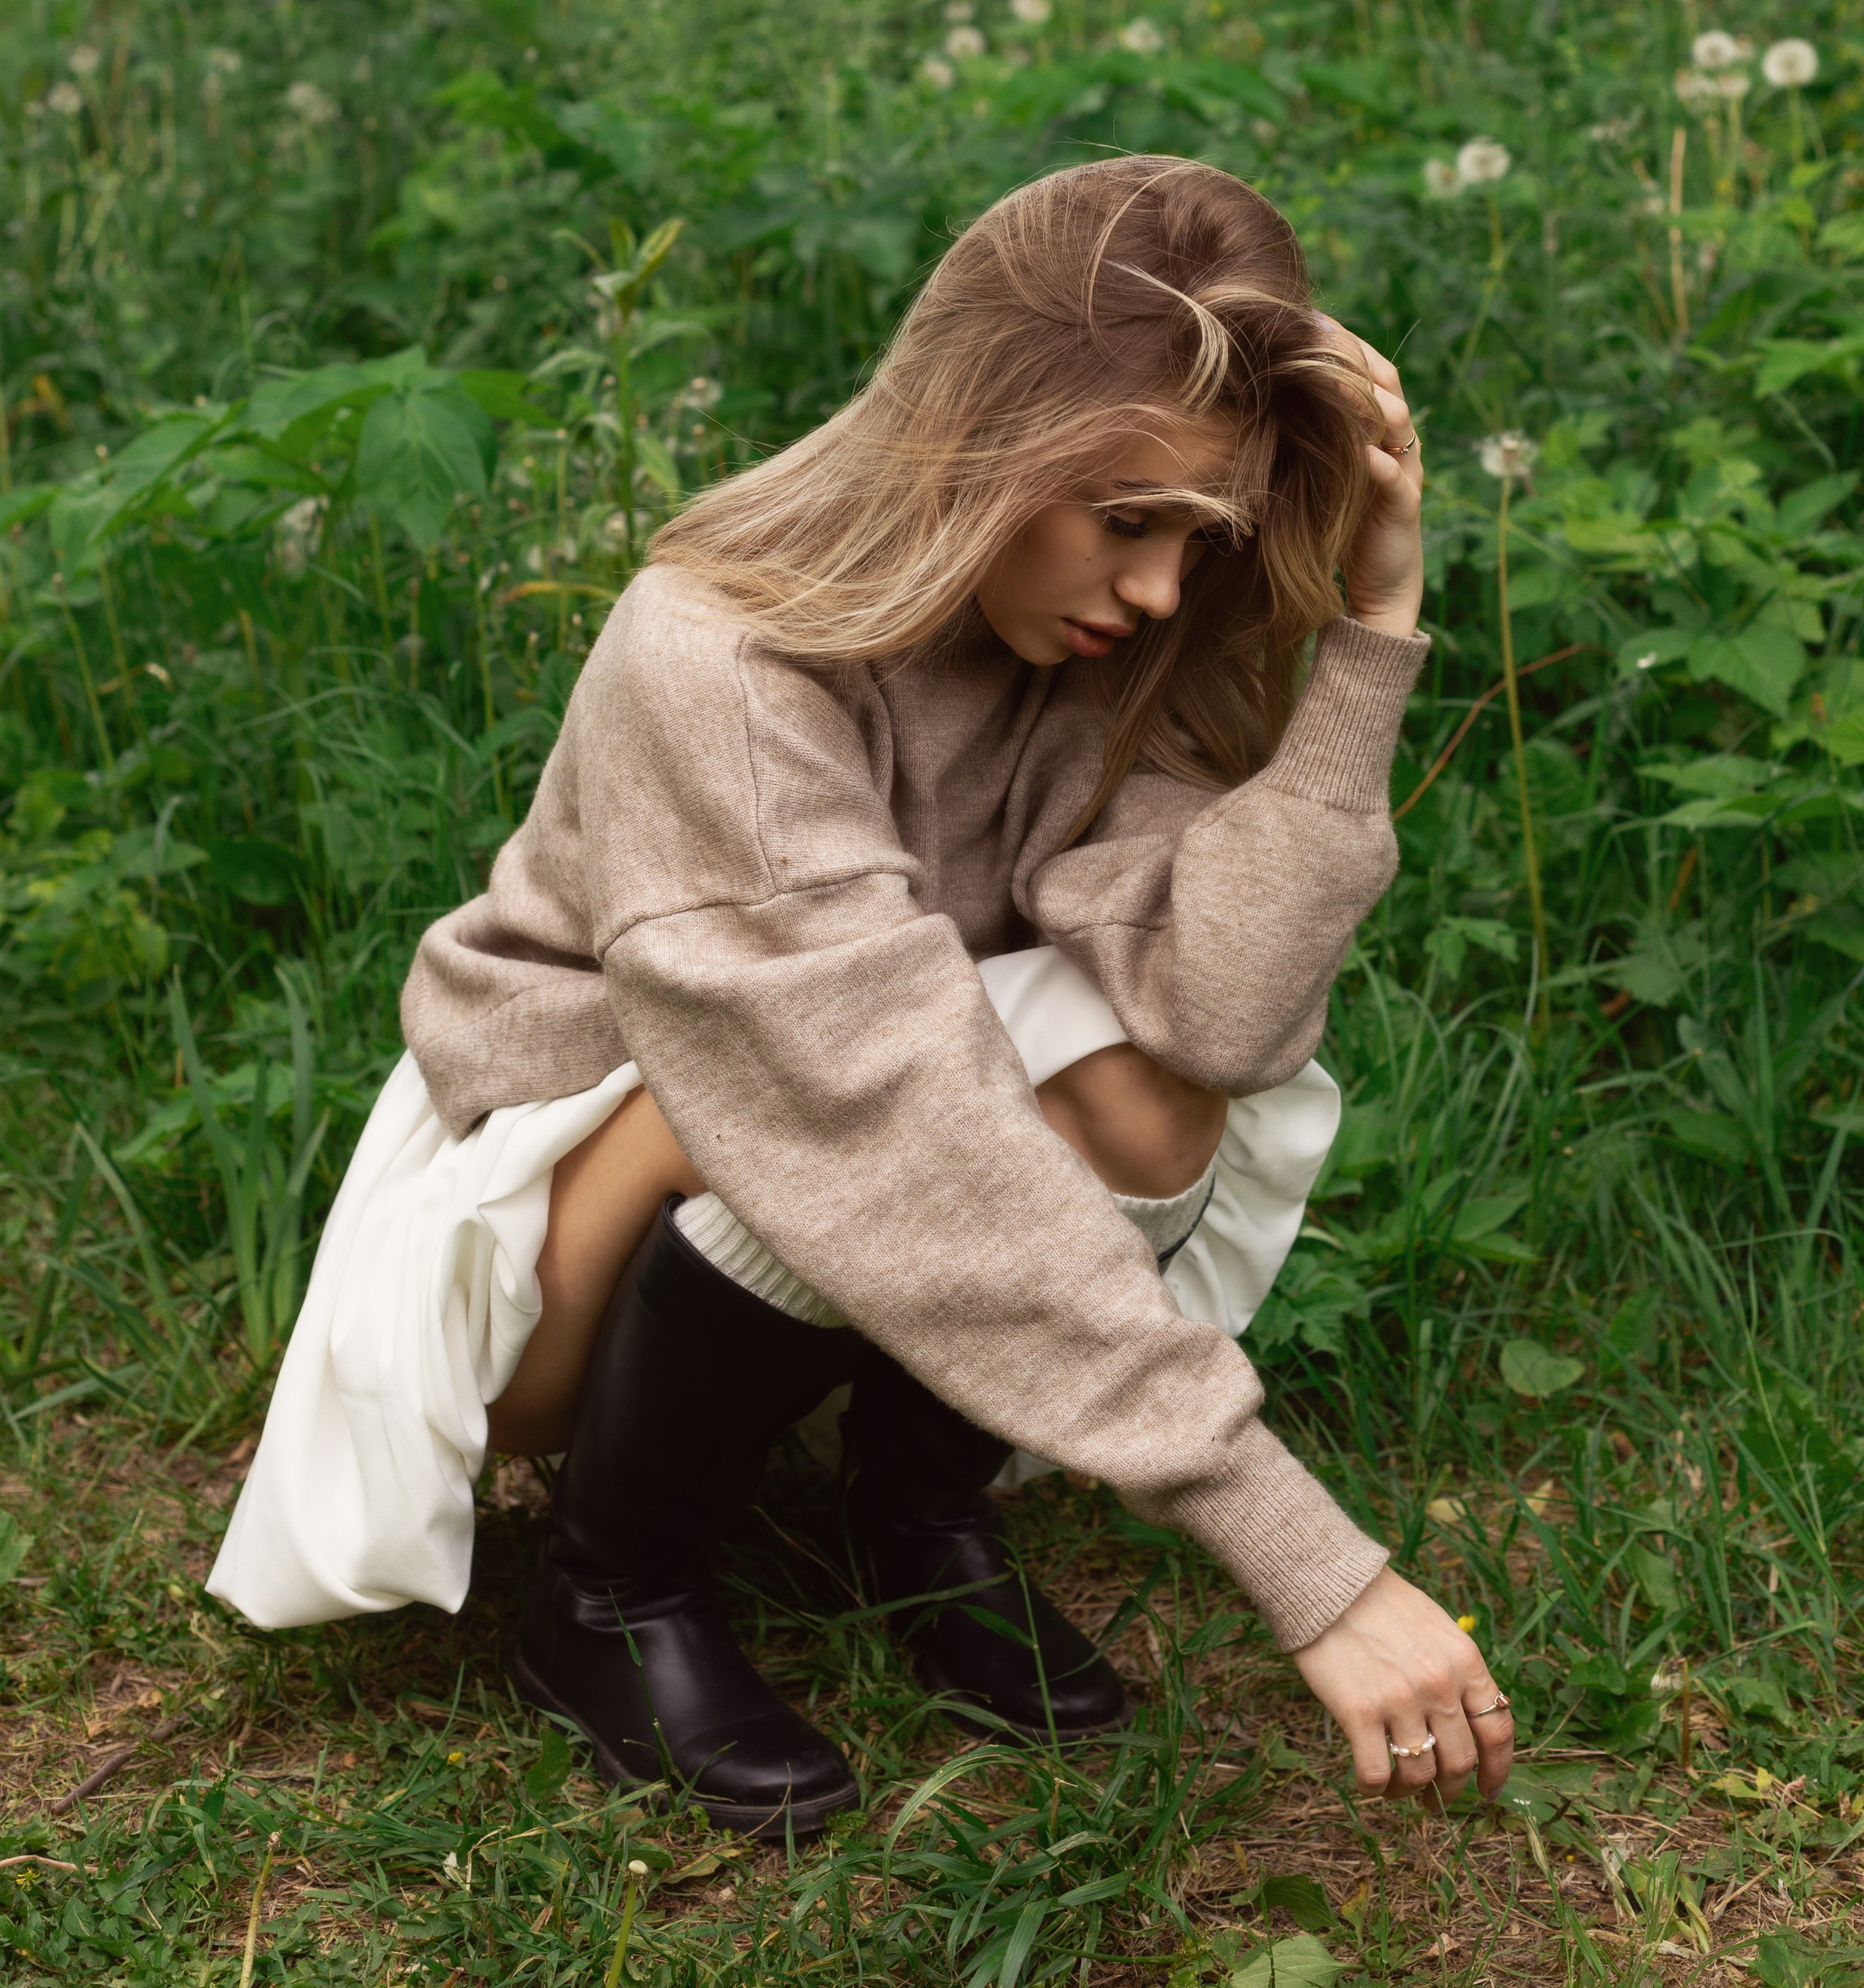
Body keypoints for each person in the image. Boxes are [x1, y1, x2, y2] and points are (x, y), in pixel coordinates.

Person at [210, 154, 1514, 1836]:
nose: (1158, 590)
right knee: (802, 1084)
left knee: (1144, 1080)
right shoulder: (717, 651)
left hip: (850, 1122)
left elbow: (1227, 1019)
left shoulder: (1110, 649)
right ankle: (611, 1588)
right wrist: (1307, 1562)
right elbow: (867, 1106)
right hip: (545, 1237)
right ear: (984, 445)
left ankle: (911, 1523)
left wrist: (1371, 633)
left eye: (1199, 540)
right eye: (1127, 522)